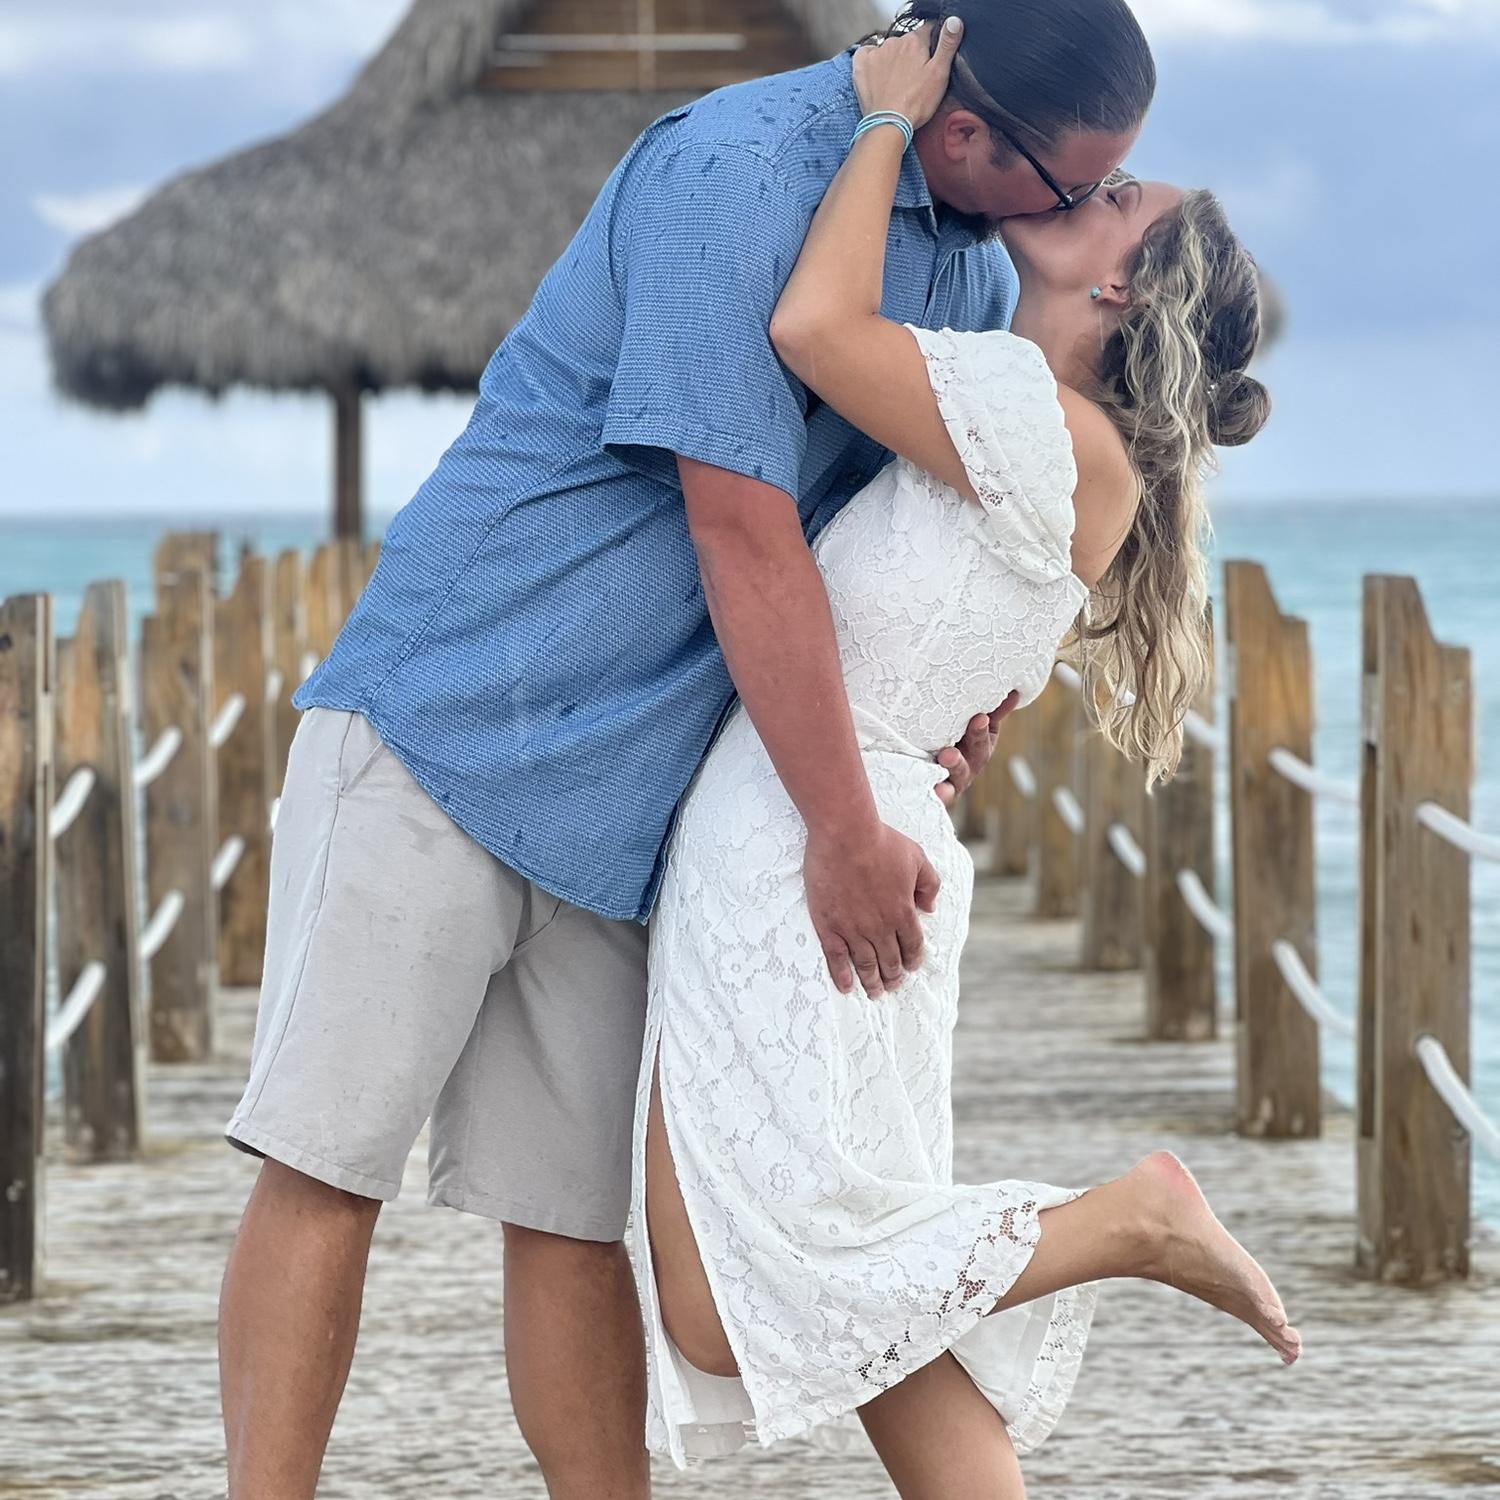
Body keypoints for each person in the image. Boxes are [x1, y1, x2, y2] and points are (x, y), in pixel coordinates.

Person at [216, 3, 1157, 1495]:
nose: (1081, 214)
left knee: (572, 1223)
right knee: (327, 1169)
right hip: (451, 725)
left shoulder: (977, 267)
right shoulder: (737, 170)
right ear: (972, 132)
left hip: (646, 810)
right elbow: (741, 523)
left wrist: (970, 700)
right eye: (1075, 184)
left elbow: (936, 533)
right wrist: (842, 825)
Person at [634, 24, 1294, 1499]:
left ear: (1122, 288)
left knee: (738, 1298)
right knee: (875, 1288)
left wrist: (884, 120)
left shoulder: (1030, 415)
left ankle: (1128, 1222)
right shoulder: (1058, 441)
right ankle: (1107, 1243)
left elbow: (813, 330)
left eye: (1117, 203)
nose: (1087, 190)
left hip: (809, 844)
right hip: (862, 829)